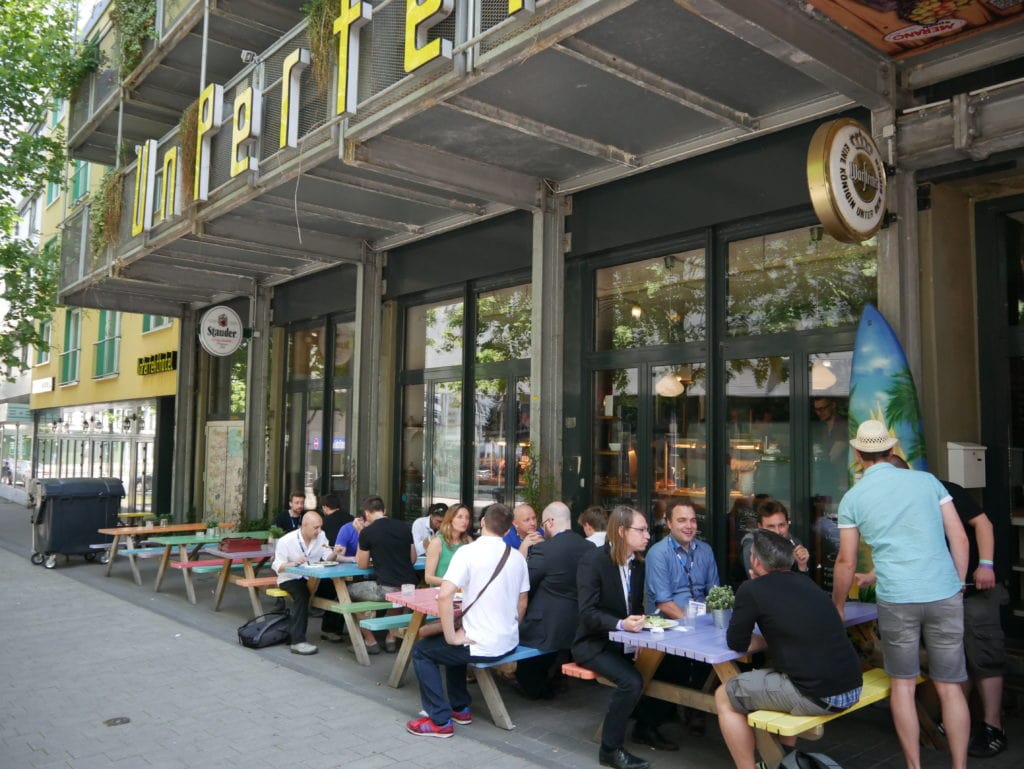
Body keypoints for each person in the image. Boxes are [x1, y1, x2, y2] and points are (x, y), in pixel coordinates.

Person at [832, 420, 970, 769]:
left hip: (897, 597)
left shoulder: (853, 498)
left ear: (858, 454)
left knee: (903, 687)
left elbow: (846, 561)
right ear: (892, 449)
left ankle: (914, 766)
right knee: (950, 687)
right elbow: (959, 537)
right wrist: (957, 584)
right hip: (943, 592)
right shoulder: (927, 481)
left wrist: (838, 604)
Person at [861, 455, 1009, 758]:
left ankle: (993, 726)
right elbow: (899, 547)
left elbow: (982, 524)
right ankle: (957, 725)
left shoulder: (942, 488)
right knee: (955, 666)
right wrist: (872, 575)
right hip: (939, 595)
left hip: (974, 590)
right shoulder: (900, 503)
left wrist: (985, 565)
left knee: (985, 657)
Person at [716, 530, 863, 769]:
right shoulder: (806, 582)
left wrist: (764, 638)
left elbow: (737, 643)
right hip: (852, 685)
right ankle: (782, 760)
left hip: (820, 695)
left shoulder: (751, 589)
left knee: (724, 695)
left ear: (755, 561)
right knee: (780, 674)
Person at [406, 503, 530, 738]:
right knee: (454, 648)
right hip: (508, 641)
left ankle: (439, 720)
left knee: (423, 651)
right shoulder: (517, 557)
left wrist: (452, 637)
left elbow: (445, 595)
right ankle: (460, 707)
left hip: (481, 644)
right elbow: (522, 602)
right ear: (507, 531)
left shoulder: (467, 552)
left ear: (482, 523)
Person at [574, 506, 667, 769]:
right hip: (593, 642)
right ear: (622, 531)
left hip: (624, 640)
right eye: (642, 530)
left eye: (647, 530)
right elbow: (587, 613)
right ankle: (610, 750)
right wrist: (621, 625)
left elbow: (635, 607)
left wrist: (636, 636)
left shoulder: (637, 564)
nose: (648, 535)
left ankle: (646, 727)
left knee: (666, 667)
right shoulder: (593, 561)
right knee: (631, 681)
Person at [643, 499, 719, 735]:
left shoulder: (705, 551)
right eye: (682, 520)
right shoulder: (658, 553)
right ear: (668, 523)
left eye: (693, 520)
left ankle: (696, 708)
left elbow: (714, 593)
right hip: (669, 623)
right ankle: (681, 709)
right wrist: (695, 625)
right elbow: (664, 603)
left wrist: (711, 621)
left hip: (700, 622)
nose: (689, 526)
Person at [516, 501, 592, 699]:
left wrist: (523, 550)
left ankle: (534, 685)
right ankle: (553, 678)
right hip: (579, 622)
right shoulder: (590, 547)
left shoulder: (545, 549)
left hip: (546, 628)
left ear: (549, 522)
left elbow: (524, 584)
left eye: (542, 524)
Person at [353, 495, 418, 654]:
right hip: (410, 587)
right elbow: (413, 559)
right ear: (384, 510)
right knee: (397, 596)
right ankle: (391, 638)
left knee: (345, 595)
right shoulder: (404, 527)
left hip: (386, 589)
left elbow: (361, 564)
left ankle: (370, 640)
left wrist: (361, 533)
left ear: (366, 513)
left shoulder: (367, 532)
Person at [271, 511, 338, 655]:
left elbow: (327, 556)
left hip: (313, 576)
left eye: (320, 527)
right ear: (304, 526)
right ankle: (297, 641)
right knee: (302, 594)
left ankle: (330, 629)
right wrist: (293, 563)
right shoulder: (286, 541)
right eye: (315, 527)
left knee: (335, 588)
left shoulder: (321, 536)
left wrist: (335, 552)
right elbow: (277, 566)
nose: (319, 530)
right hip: (290, 577)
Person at [739, 499, 811, 579]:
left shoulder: (795, 544)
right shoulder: (752, 546)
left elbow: (803, 584)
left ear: (787, 524)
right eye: (771, 526)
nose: (777, 531)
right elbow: (757, 583)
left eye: (781, 525)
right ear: (760, 527)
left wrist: (802, 565)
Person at [315, 493, 352, 642]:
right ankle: (339, 628)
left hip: (332, 565)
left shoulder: (324, 523)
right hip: (353, 563)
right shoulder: (351, 519)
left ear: (325, 507)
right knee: (345, 594)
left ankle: (329, 629)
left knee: (333, 593)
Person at [424, 503, 473, 586]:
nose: (464, 521)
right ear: (450, 519)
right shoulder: (437, 542)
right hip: (440, 591)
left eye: (467, 517)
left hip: (463, 591)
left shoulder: (468, 541)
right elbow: (428, 578)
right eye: (460, 517)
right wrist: (452, 583)